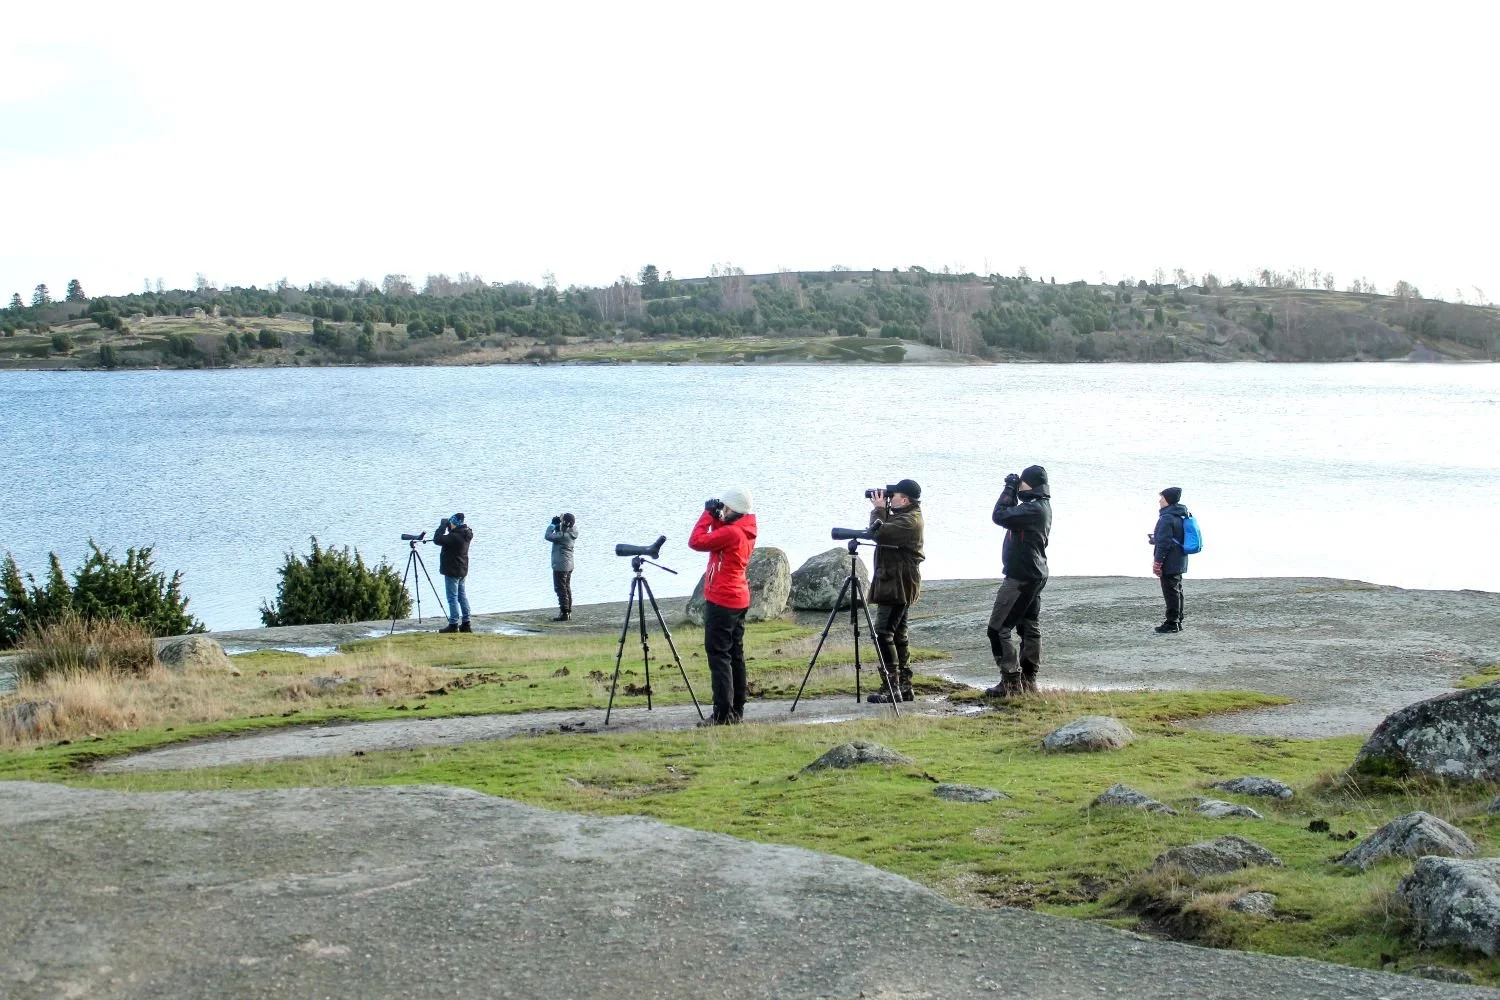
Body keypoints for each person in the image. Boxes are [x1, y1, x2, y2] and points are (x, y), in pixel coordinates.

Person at [688, 487, 758, 725]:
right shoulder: (744, 530)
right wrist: (720, 518)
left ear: (732, 510)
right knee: (735, 655)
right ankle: (736, 710)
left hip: (722, 600)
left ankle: (721, 714)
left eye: (725, 508)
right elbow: (721, 538)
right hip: (738, 598)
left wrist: (707, 515)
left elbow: (696, 542)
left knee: (718, 656)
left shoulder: (732, 534)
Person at [985, 465, 1052, 697]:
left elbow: (1000, 515)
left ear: (1029, 484)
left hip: (1021, 577)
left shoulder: (1032, 509)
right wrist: (1014, 490)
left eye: (1022, 482)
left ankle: (1011, 681)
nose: (1019, 485)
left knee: (998, 629)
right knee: (1028, 626)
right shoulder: (1040, 507)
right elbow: (1009, 516)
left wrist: (1008, 488)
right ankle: (1028, 680)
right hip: (1035, 573)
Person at [865, 478, 924, 703]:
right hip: (897, 581)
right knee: (898, 633)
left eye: (893, 496)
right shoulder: (906, 515)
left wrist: (879, 510)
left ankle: (891, 687)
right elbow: (884, 529)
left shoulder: (910, 521)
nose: (889, 499)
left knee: (884, 633)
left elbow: (879, 533)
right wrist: (883, 510)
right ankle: (904, 687)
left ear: (905, 499)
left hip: (897, 583)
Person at [1150, 487, 1190, 633]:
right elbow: (1172, 537)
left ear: (1168, 500)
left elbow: (1165, 543)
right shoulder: (1181, 515)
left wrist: (1158, 562)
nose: (1160, 500)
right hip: (1179, 557)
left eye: (1162, 498)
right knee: (1177, 589)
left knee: (1171, 590)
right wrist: (1156, 539)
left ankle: (1172, 622)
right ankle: (1178, 619)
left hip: (1170, 559)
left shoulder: (1167, 517)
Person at [433, 512, 473, 633]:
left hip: (452, 571)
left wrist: (442, 526)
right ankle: (466, 623)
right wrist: (449, 527)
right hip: (462, 570)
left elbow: (437, 539)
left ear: (454, 523)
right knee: (462, 596)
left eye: (451, 523)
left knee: (452, 598)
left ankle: (453, 624)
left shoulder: (454, 537)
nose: (449, 526)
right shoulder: (466, 534)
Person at [545, 513, 577, 622]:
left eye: (562, 520)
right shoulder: (572, 532)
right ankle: (568, 612)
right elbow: (563, 531)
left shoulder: (563, 537)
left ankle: (564, 613)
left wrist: (552, 525)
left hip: (561, 566)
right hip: (568, 564)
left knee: (560, 589)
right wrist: (559, 525)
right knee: (566, 588)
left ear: (565, 523)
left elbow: (548, 536)